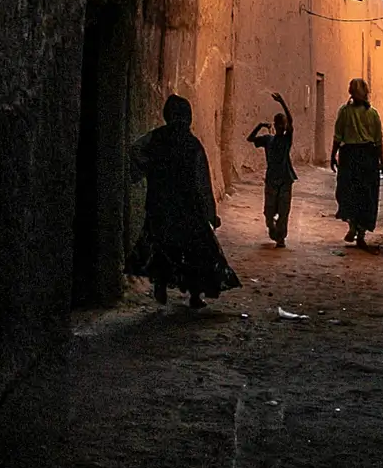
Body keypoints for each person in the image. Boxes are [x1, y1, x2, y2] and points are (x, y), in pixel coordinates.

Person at [126, 94, 241, 308]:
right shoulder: (192, 145)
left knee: (162, 245)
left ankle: (160, 285)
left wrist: (146, 170)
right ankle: (195, 295)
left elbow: (135, 152)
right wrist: (210, 213)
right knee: (195, 250)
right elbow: (202, 182)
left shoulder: (156, 138)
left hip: (160, 205)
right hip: (188, 208)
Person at [330, 78, 383, 251]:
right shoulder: (373, 114)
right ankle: (361, 232)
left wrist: (333, 156)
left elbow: (338, 136)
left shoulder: (344, 112)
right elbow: (378, 141)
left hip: (349, 157)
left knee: (347, 191)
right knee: (367, 195)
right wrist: (381, 161)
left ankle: (352, 224)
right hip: (368, 157)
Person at [247, 91, 298, 248]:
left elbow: (291, 121)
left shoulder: (286, 139)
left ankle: (281, 237)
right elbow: (250, 139)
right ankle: (272, 228)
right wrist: (260, 126)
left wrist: (282, 102)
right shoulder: (269, 140)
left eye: (283, 124)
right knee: (269, 211)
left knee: (283, 210)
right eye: (279, 124)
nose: (282, 126)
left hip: (285, 178)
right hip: (271, 179)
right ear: (275, 126)